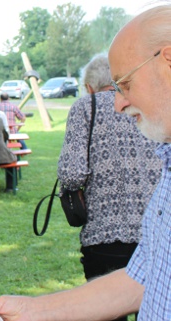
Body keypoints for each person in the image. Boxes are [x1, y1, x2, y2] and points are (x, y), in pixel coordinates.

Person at [0, 5, 171, 320]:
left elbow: (71, 173)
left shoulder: (87, 108)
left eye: (126, 84)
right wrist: (32, 308)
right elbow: (143, 276)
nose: (119, 103)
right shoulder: (167, 164)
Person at [58, 53, 161, 321]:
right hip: (156, 234)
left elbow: (71, 174)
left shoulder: (85, 107)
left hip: (104, 235)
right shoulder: (149, 104)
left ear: (89, 86)